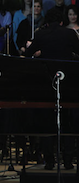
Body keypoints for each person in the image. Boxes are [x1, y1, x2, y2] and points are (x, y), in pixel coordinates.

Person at [25, 8, 79, 170]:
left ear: (47, 21)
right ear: (62, 21)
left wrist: (40, 54)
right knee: (67, 122)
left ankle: (49, 160)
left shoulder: (41, 34)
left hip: (46, 83)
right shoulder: (69, 34)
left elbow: (28, 55)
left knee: (47, 122)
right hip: (68, 83)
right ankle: (68, 160)